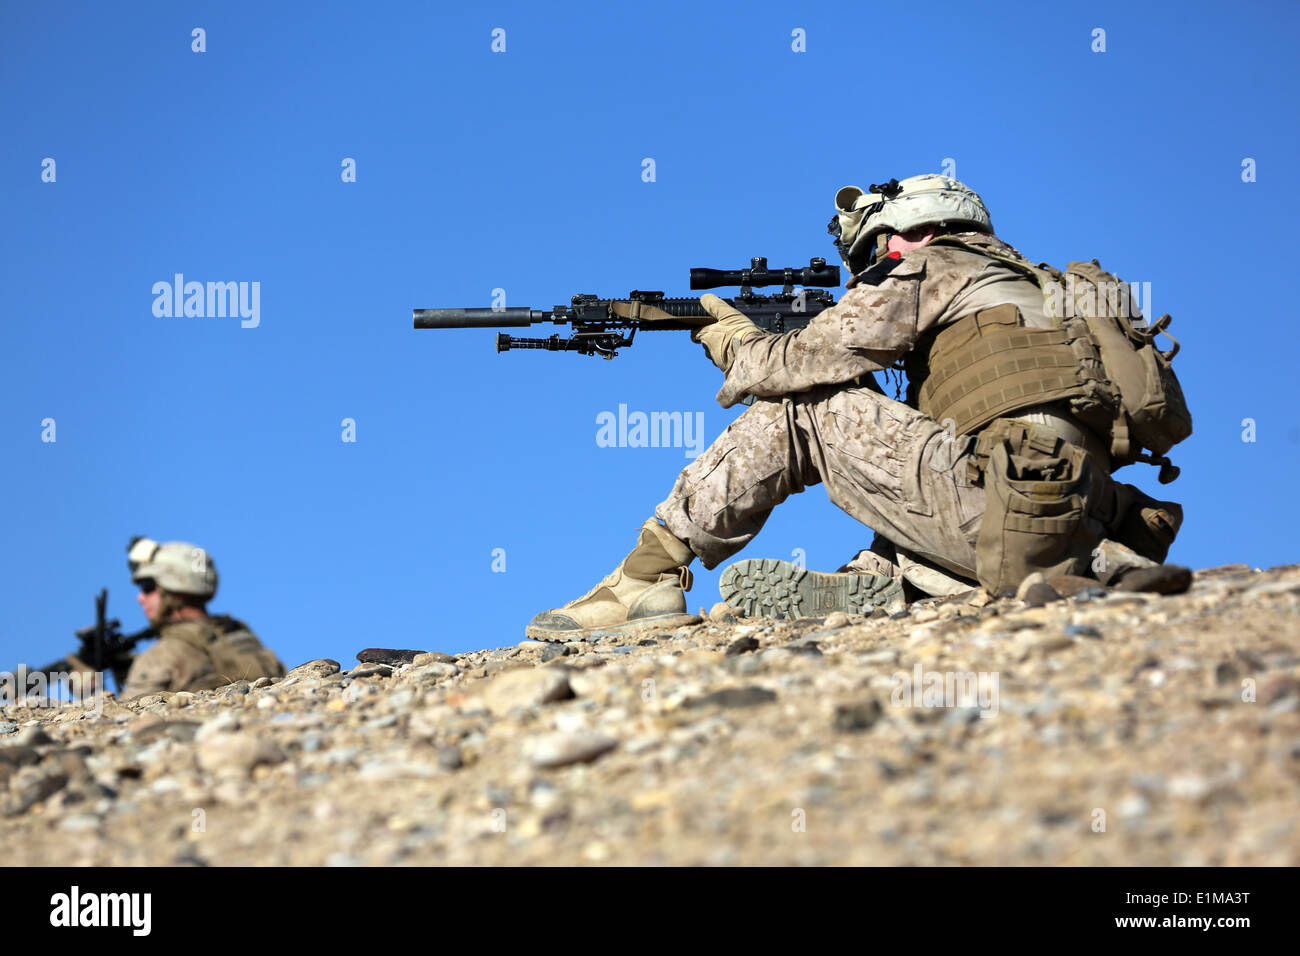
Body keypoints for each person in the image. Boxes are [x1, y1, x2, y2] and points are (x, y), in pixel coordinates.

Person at [526, 175, 1190, 639]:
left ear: (923, 229)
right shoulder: (1043, 289)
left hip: (1005, 512)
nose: (866, 276)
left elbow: (789, 367)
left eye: (876, 254)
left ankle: (646, 579)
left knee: (805, 405)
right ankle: (887, 580)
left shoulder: (938, 264)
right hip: (1075, 512)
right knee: (919, 437)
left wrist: (732, 337)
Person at [119, 537, 285, 697]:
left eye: (147, 587)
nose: (140, 598)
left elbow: (121, 716)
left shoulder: (163, 654)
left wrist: (92, 673)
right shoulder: (235, 632)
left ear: (174, 587)